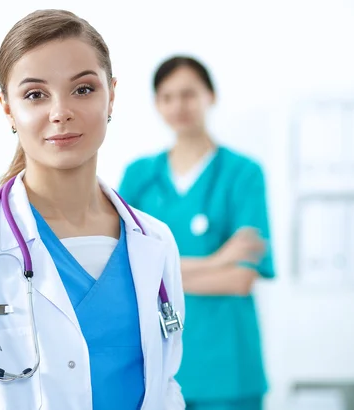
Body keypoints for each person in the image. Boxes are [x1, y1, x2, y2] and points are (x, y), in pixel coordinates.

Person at [0, 9, 186, 410]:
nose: (60, 112)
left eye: (83, 89)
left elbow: (164, 386)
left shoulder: (154, 241)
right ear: (7, 108)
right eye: (35, 95)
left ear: (112, 94)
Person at [119, 56, 275, 410]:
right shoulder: (140, 176)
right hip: (153, 367)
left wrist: (159, 275)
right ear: (157, 104)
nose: (178, 106)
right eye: (167, 96)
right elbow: (124, 270)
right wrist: (219, 259)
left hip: (228, 368)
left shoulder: (244, 174)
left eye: (189, 94)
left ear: (211, 96)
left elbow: (240, 279)